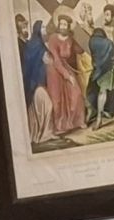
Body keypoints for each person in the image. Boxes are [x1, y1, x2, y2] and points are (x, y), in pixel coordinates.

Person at [44, 6, 87, 135]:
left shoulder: (70, 39)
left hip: (66, 67)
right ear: (58, 25)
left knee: (76, 93)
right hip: (54, 70)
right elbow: (57, 60)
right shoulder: (52, 38)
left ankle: (78, 121)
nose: (63, 26)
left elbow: (79, 50)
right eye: (61, 24)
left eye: (65, 25)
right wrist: (68, 76)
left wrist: (83, 31)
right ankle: (59, 126)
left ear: (68, 27)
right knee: (57, 99)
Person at [17, 13, 53, 143]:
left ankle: (41, 134)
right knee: (47, 106)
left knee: (41, 109)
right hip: (35, 83)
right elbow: (35, 63)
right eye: (42, 28)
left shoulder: (37, 44)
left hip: (40, 82)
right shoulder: (35, 45)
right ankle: (44, 135)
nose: (45, 30)